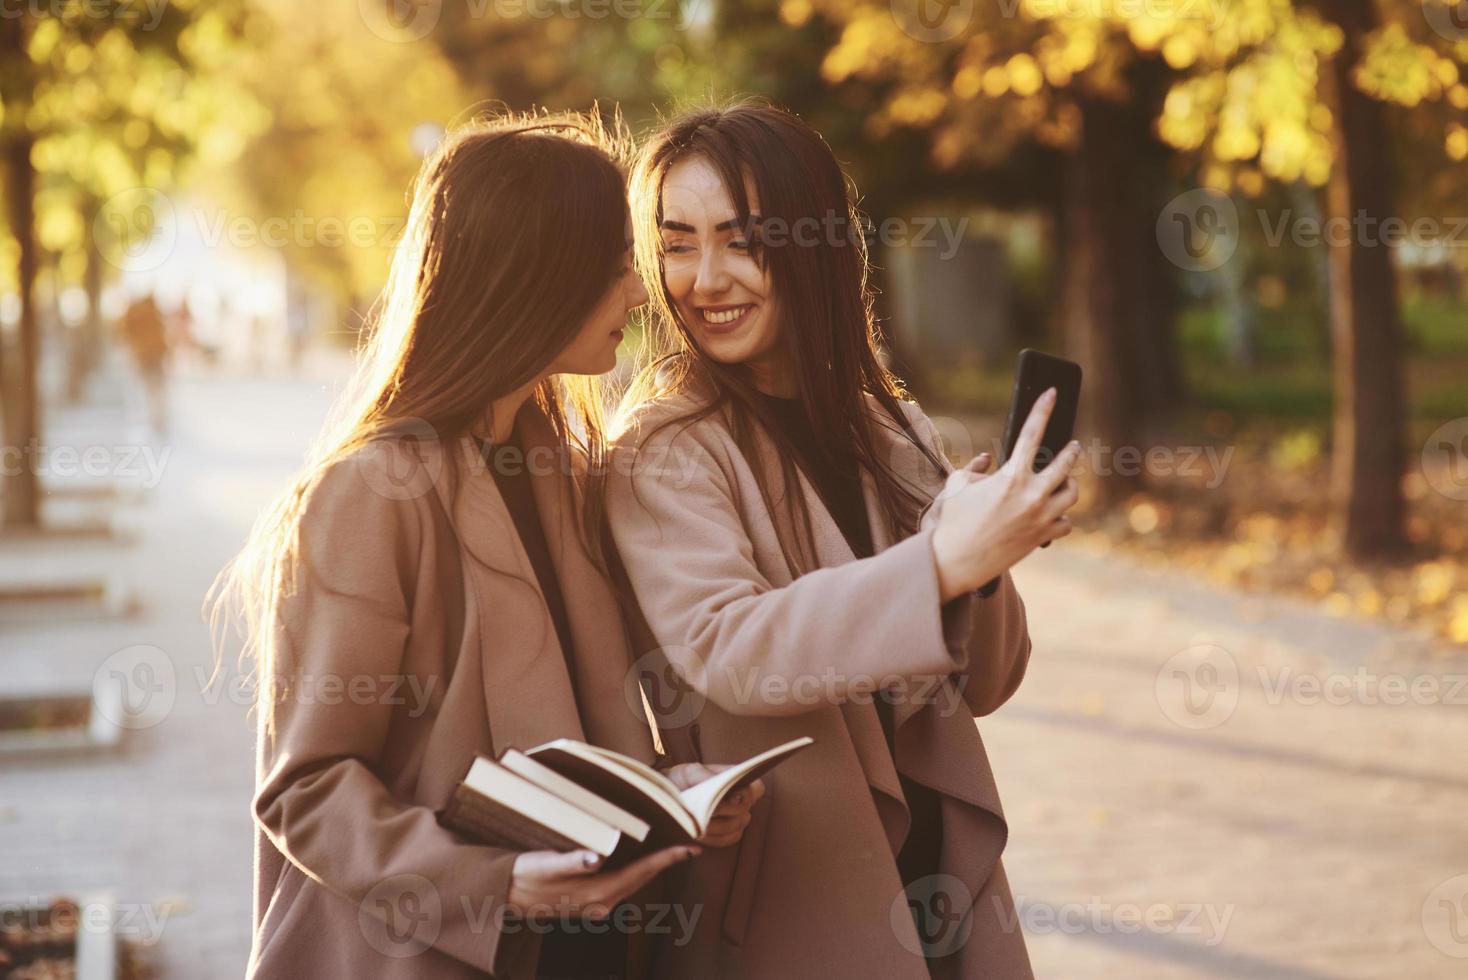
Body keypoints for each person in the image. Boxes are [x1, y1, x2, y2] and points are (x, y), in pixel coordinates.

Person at [211, 113, 761, 980]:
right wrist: (494, 883)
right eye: (618, 263)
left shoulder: (561, 469)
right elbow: (306, 789)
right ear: (535, 275)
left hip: (588, 947)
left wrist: (668, 791)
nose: (639, 290)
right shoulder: (371, 494)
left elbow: (561, 731)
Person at [607, 101, 1082, 978]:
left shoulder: (891, 428)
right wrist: (941, 565)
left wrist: (984, 560)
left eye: (741, 240)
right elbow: (731, 647)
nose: (704, 279)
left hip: (943, 883)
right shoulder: (666, 447)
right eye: (677, 243)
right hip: (802, 896)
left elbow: (989, 681)